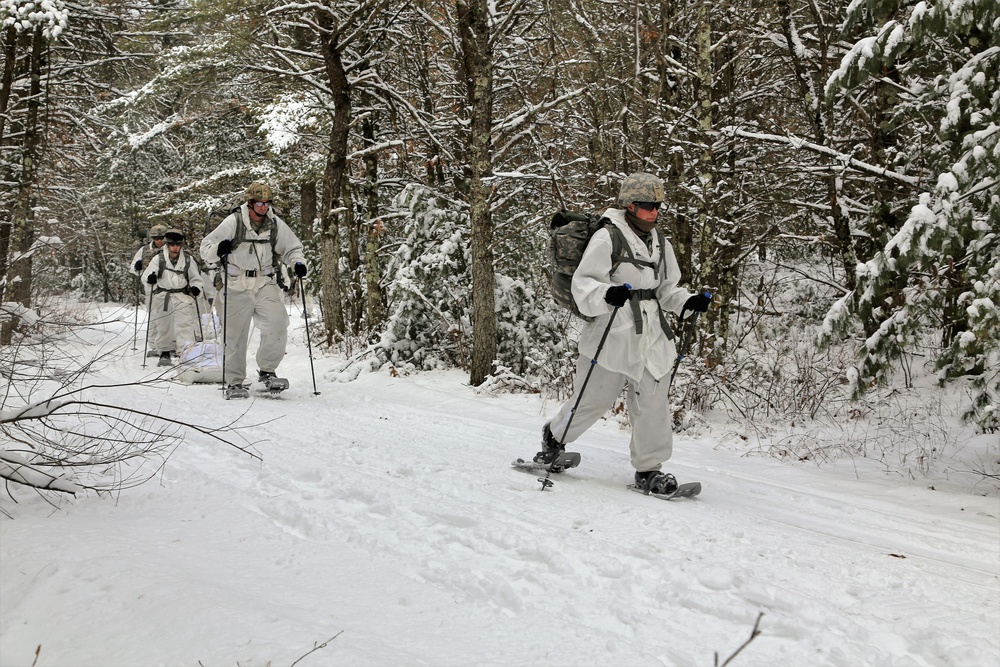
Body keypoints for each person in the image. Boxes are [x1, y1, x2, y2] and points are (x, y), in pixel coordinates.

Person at [535, 172, 712, 494]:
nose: (654, 212)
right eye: (647, 206)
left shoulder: (660, 242)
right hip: (612, 331)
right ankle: (555, 437)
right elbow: (584, 282)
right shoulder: (607, 237)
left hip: (652, 335)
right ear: (630, 206)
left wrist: (689, 301)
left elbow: (667, 289)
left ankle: (649, 470)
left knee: (653, 403)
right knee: (593, 400)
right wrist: (606, 293)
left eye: (658, 206)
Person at [199, 182, 307, 394]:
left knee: (277, 324)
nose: (263, 207)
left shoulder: (275, 223)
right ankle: (235, 381)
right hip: (235, 283)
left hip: (264, 282)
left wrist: (298, 263)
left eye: (267, 203)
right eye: (259, 203)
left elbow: (292, 248)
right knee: (234, 335)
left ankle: (267, 370)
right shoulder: (234, 222)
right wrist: (219, 250)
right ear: (249, 202)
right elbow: (206, 248)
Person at [142, 229, 205, 367]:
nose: (175, 247)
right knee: (164, 325)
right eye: (172, 244)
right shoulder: (158, 259)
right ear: (167, 245)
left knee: (185, 325)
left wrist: (196, 287)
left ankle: (186, 352)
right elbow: (146, 276)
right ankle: (164, 352)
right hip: (163, 296)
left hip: (182, 296)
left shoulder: (188, 259)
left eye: (178, 244)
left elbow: (196, 279)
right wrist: (150, 279)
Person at [130, 224, 174, 357]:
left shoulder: (171, 249)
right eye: (156, 238)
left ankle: (171, 343)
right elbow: (133, 268)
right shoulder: (144, 250)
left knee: (170, 315)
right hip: (151, 288)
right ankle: (154, 344)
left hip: (169, 286)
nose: (159, 240)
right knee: (154, 316)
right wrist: (137, 267)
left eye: (161, 237)